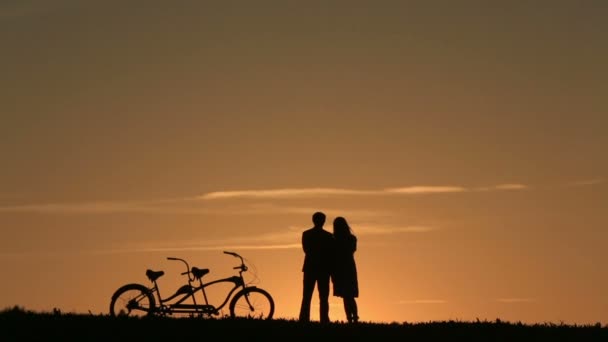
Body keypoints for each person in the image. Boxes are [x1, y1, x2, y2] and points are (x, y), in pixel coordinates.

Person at [299, 211, 335, 323]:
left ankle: (304, 319)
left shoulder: (306, 234)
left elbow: (306, 250)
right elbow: (330, 254)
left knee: (307, 296)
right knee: (323, 297)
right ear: (323, 221)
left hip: (311, 267)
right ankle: (324, 319)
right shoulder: (329, 236)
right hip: (323, 269)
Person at [331, 216, 359, 323]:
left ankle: (351, 318)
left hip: (340, 269)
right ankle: (353, 318)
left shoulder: (334, 239)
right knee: (349, 296)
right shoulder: (351, 238)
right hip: (348, 268)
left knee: (346, 296)